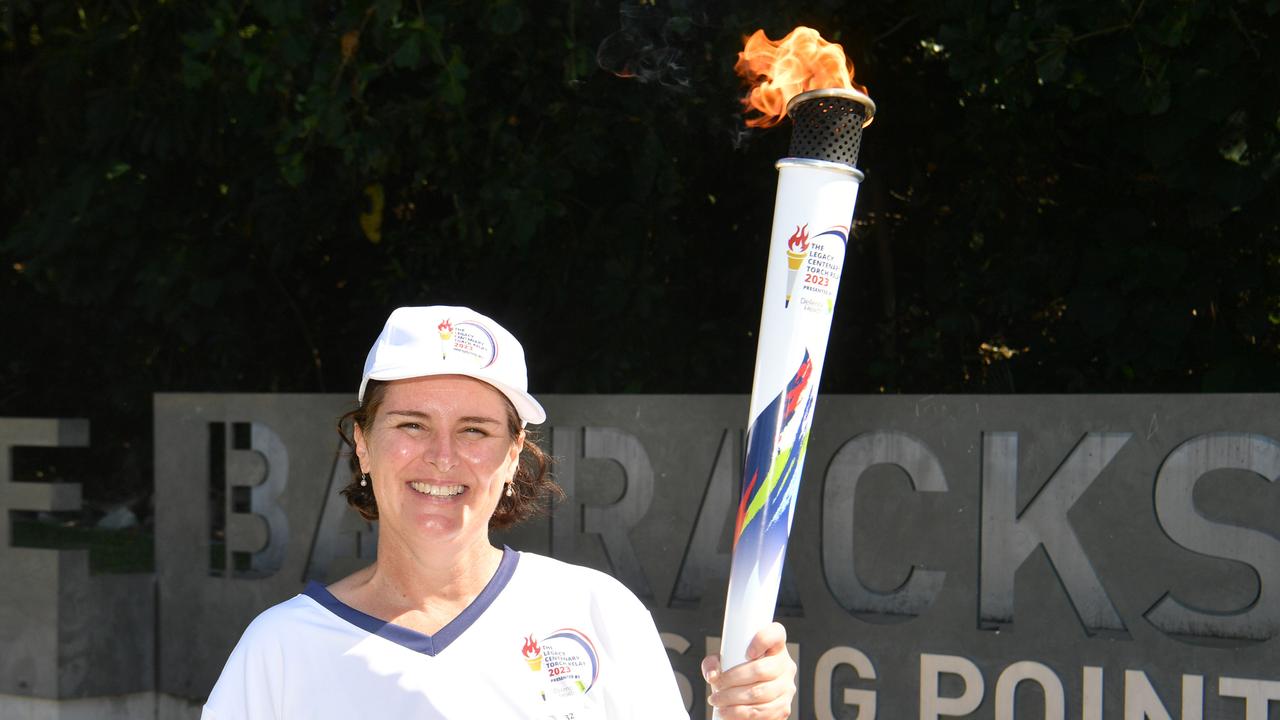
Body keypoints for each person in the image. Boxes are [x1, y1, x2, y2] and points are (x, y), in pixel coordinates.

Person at [203, 305, 797, 719]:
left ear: (514, 454)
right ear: (362, 443)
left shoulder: (598, 613)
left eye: (475, 430)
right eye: (411, 424)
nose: (442, 457)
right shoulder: (281, 651)